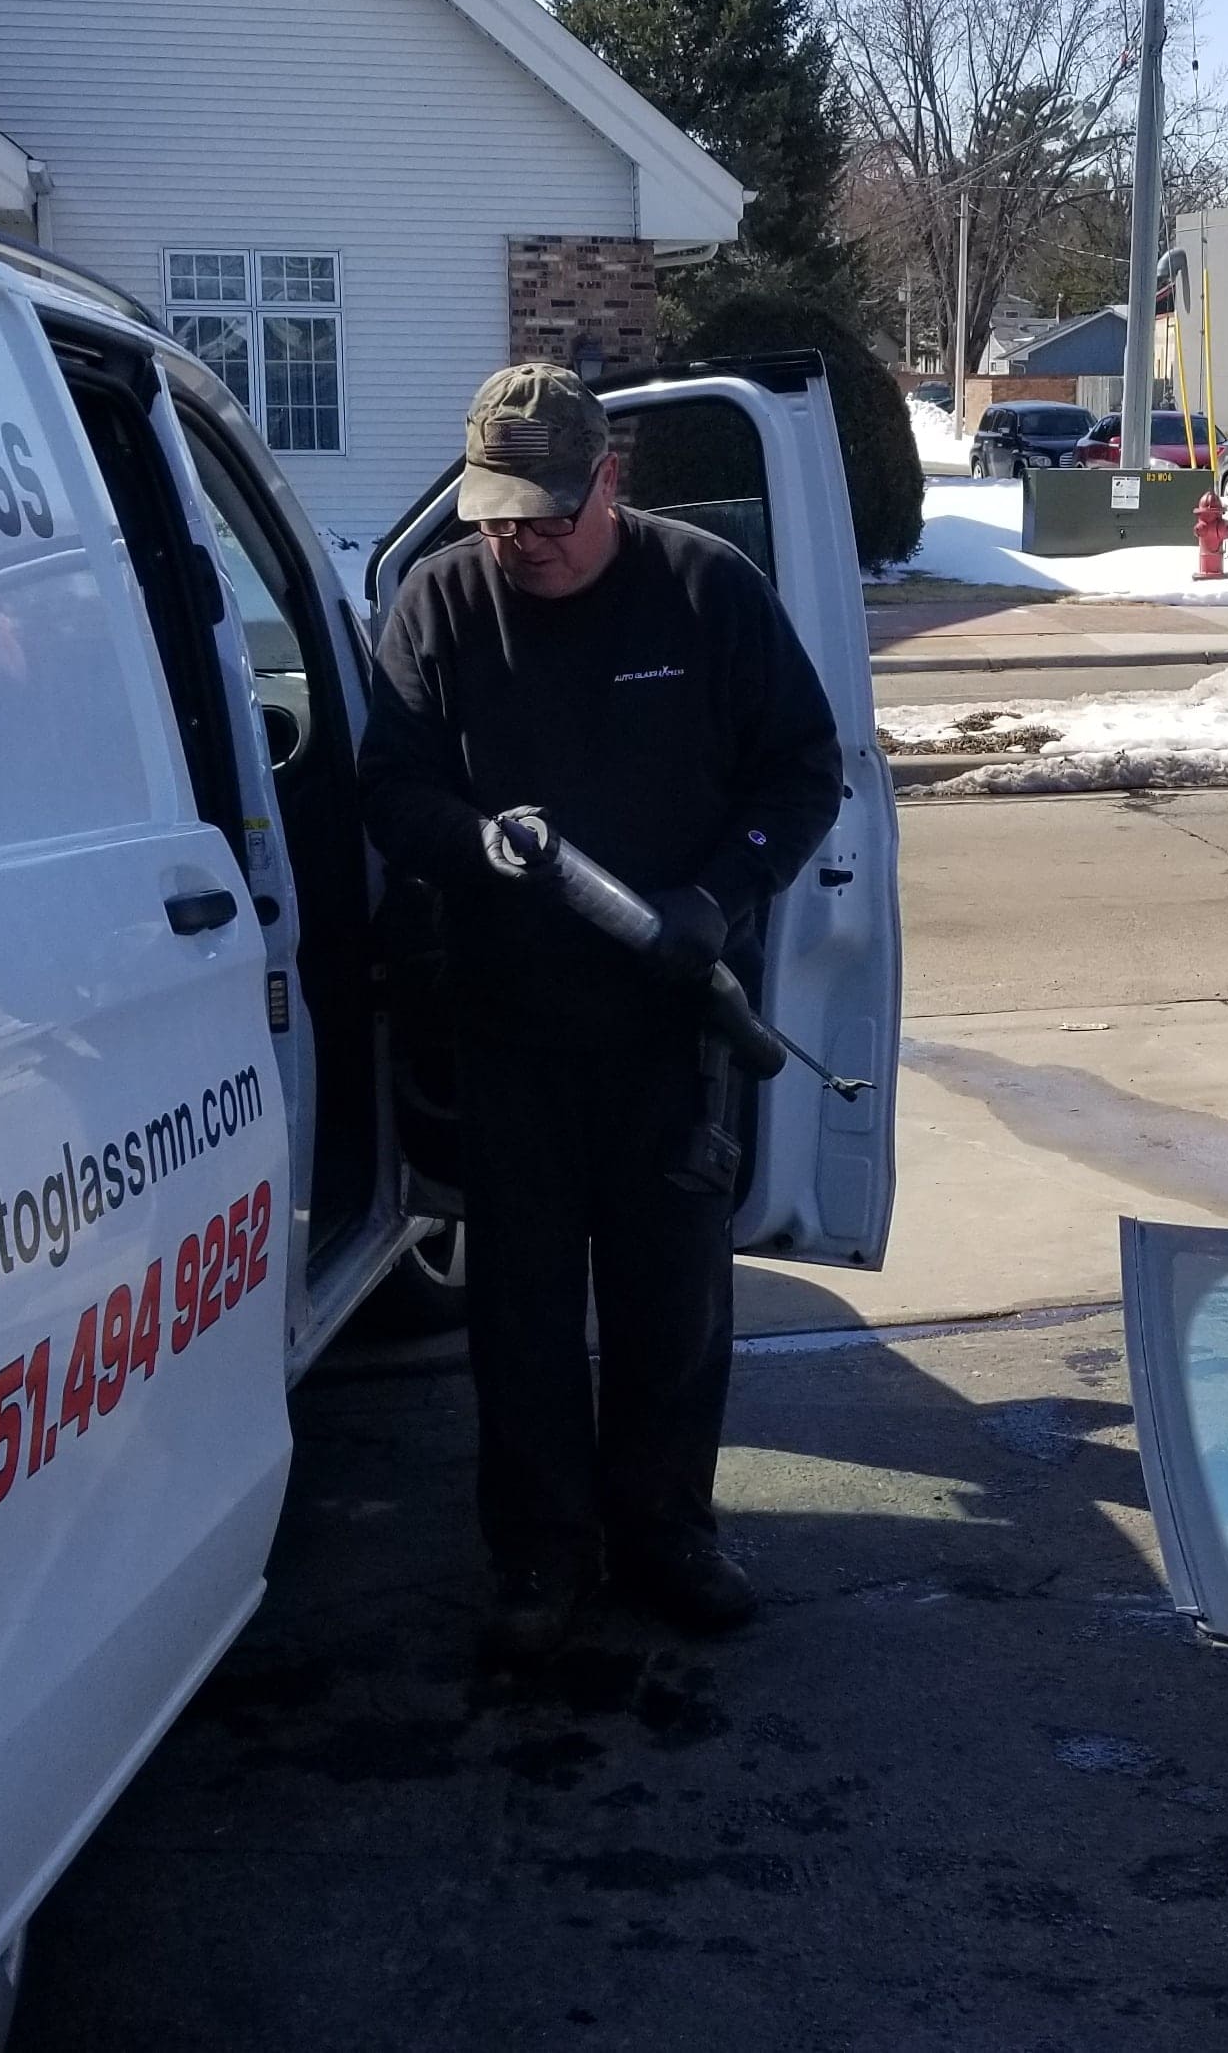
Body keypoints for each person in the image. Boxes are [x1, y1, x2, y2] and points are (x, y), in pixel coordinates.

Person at [360, 363, 843, 1664]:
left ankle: (666, 1533)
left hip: (672, 1026)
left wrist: (721, 889)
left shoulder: (705, 591)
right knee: (519, 1314)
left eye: (547, 516)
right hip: (512, 1029)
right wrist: (470, 844)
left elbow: (804, 772)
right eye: (499, 514)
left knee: (670, 1301)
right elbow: (391, 792)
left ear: (611, 483)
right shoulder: (442, 603)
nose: (521, 540)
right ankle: (538, 1554)